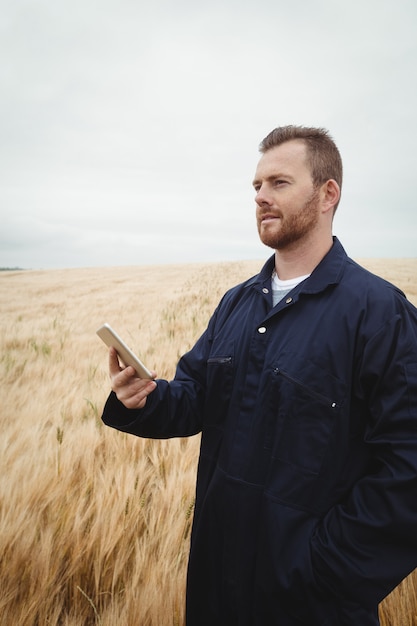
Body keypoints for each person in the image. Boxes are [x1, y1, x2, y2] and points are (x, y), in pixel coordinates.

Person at [101, 125, 417, 625]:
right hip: (216, 586)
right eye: (256, 187)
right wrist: (146, 399)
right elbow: (197, 395)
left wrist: (325, 570)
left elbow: (409, 466)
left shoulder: (378, 313)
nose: (261, 197)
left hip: (310, 604)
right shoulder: (237, 303)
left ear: (327, 194)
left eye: (279, 183)